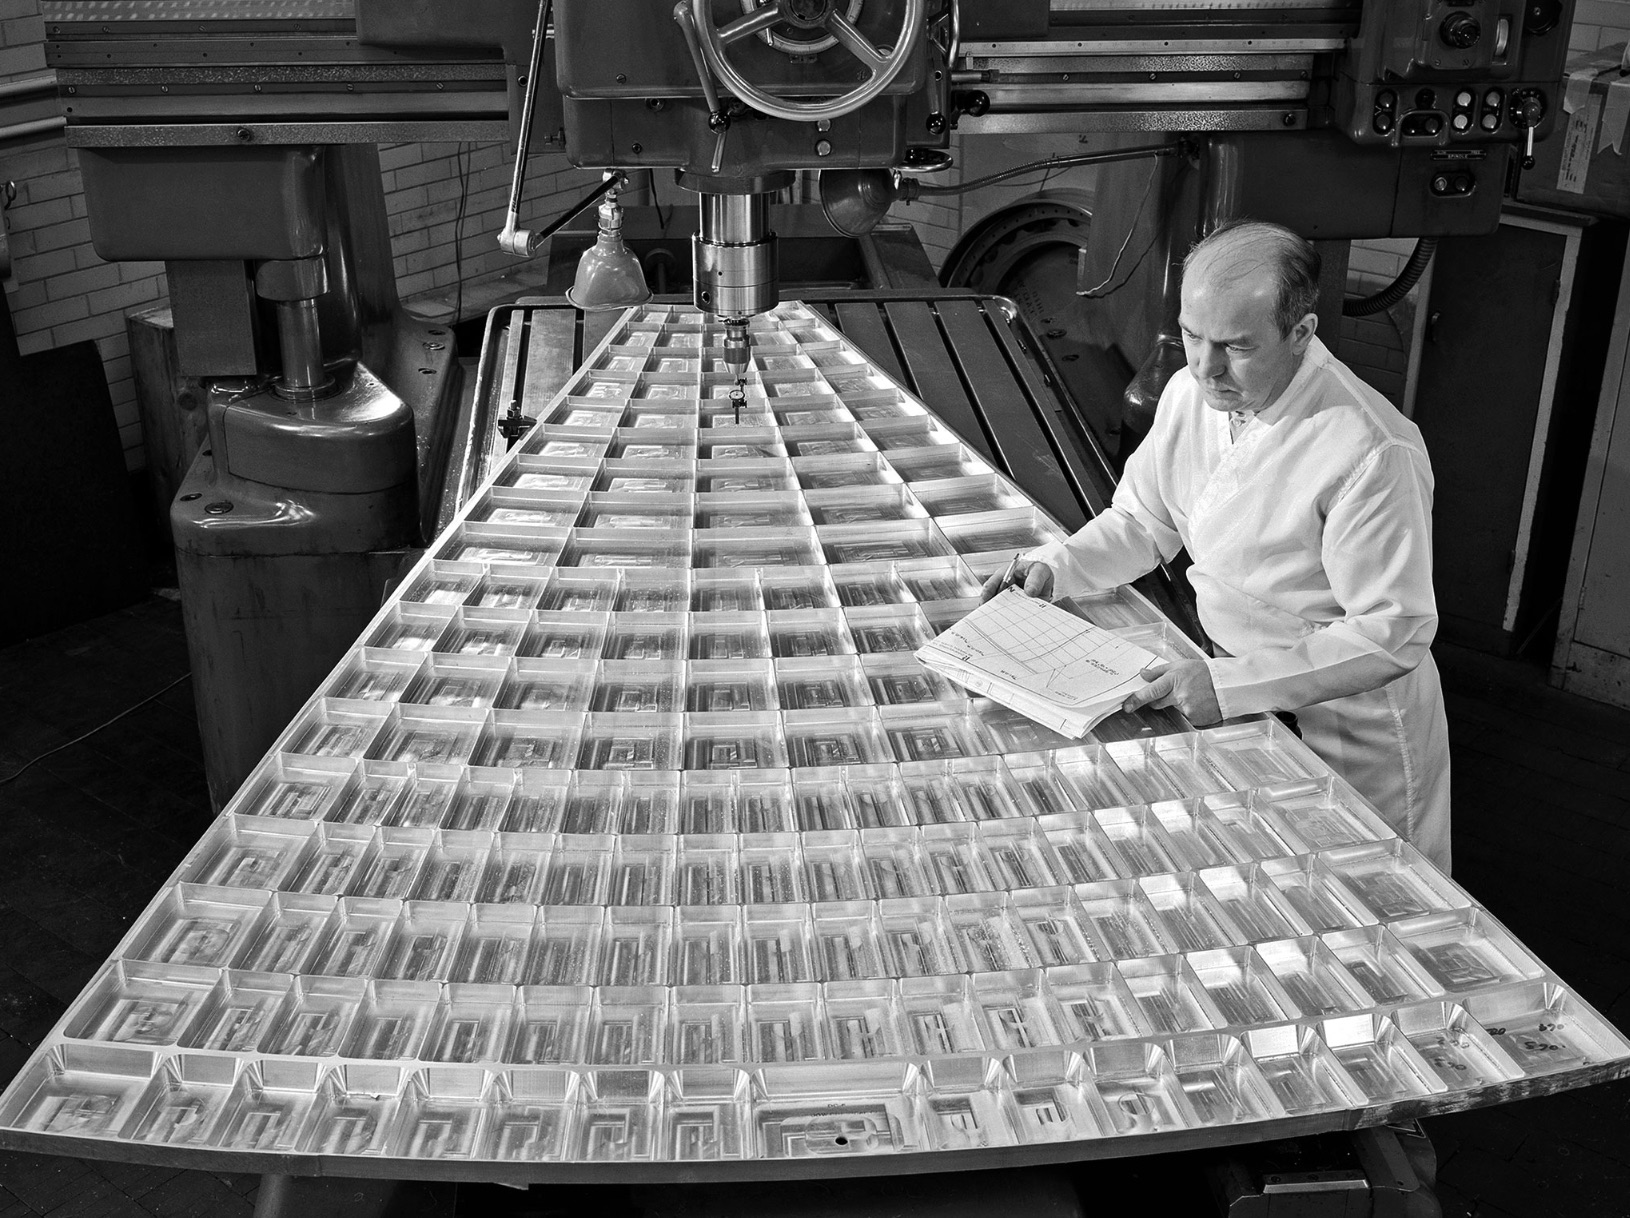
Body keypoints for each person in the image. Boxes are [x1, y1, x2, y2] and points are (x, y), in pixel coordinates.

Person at [984, 219, 1452, 871]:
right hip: (1226, 685)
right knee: (1259, 887)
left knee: (1367, 898)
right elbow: (1145, 522)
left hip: (1346, 723)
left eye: (1235, 346)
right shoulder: (1189, 396)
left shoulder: (1370, 448)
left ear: (1301, 334)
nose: (1206, 369)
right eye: (1192, 337)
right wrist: (1056, 567)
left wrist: (1229, 686)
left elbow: (1395, 631)